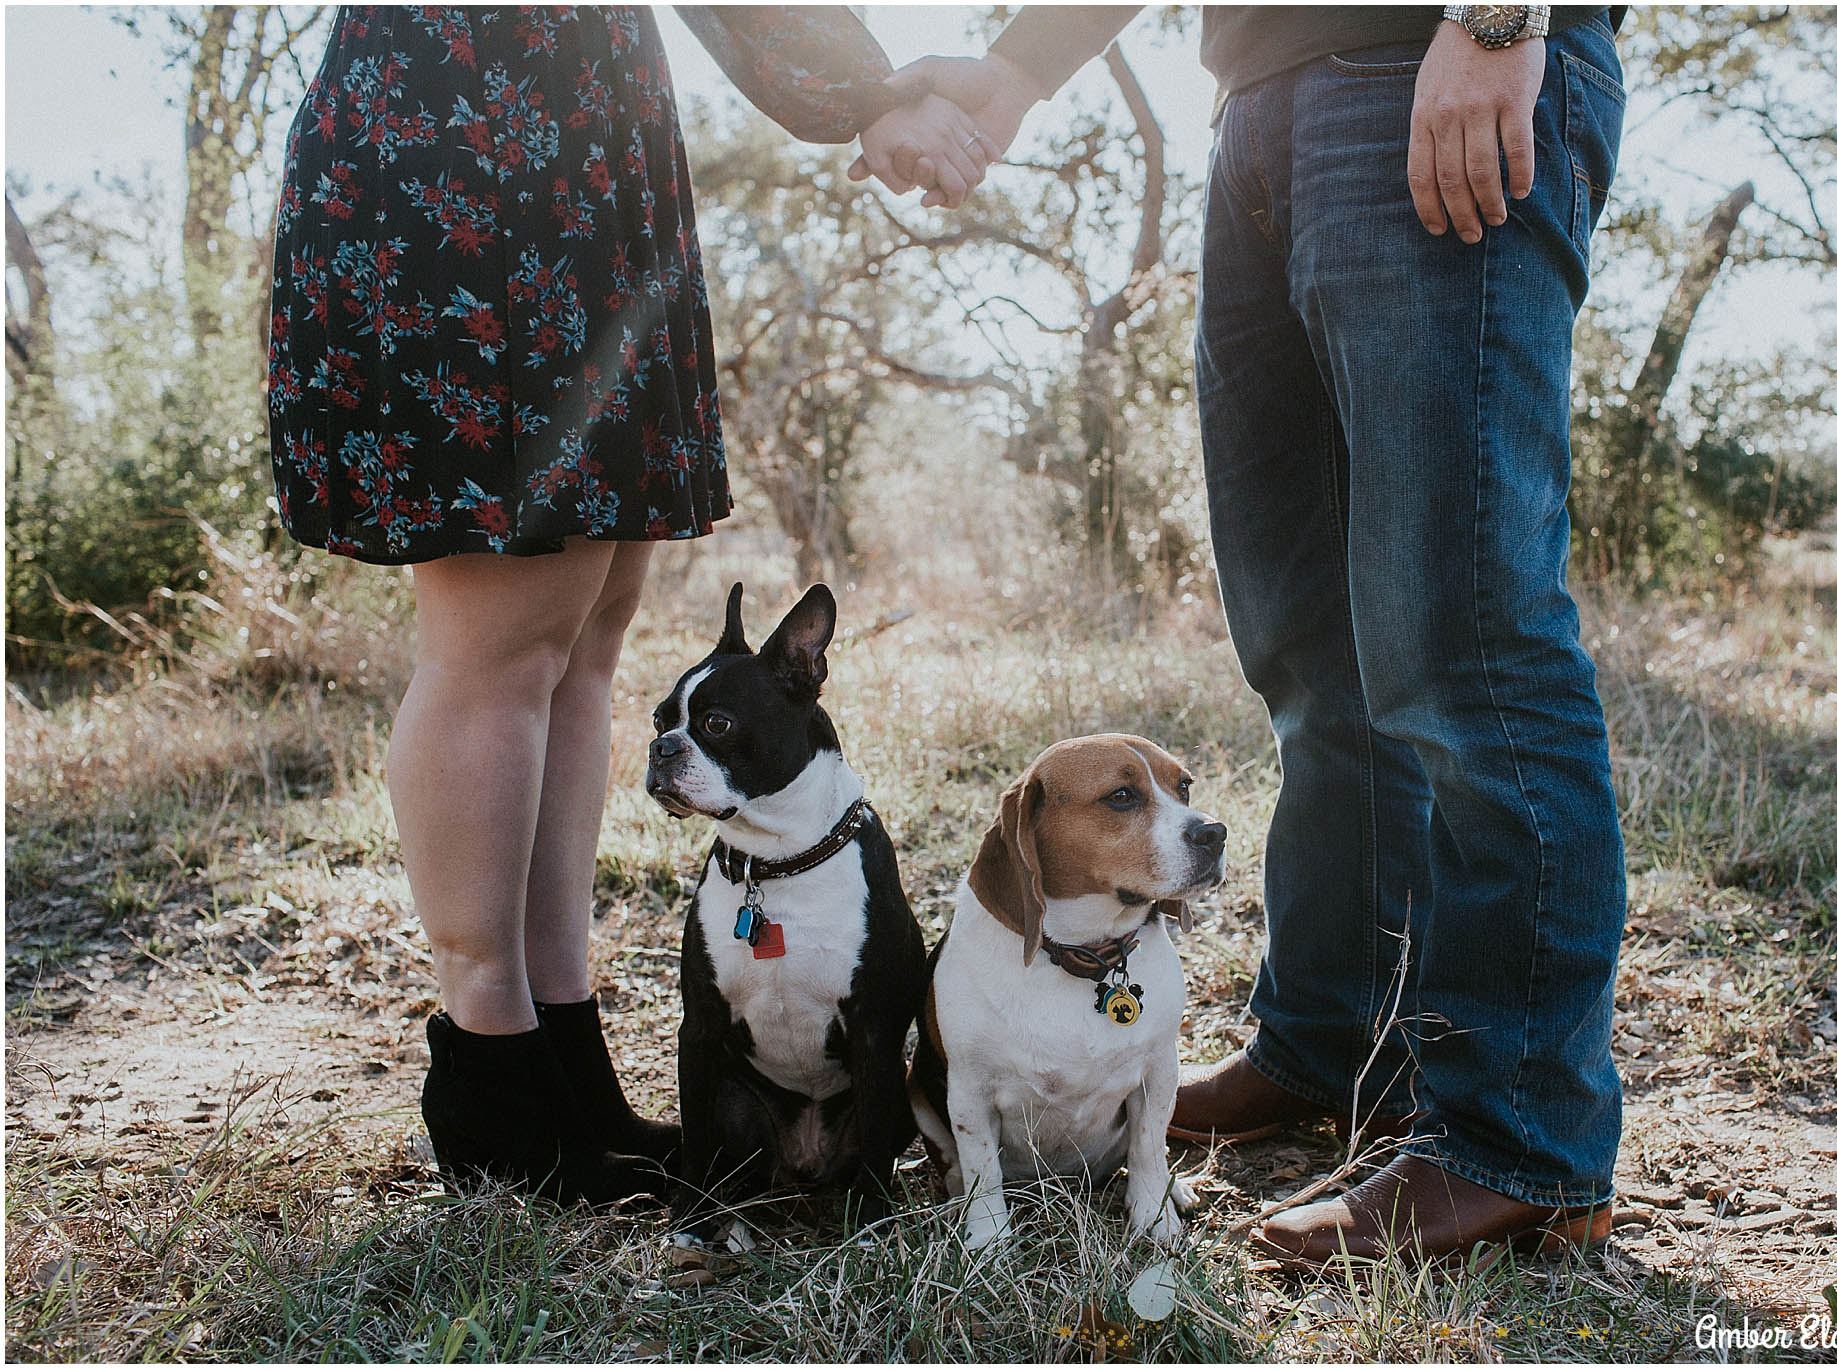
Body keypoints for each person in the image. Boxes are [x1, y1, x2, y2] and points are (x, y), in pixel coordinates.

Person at [872, 4, 1631, 1265]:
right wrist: (1014, 70)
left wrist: (1497, 21)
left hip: (1429, 57)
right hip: (1259, 109)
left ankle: (1521, 1145)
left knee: (1468, 647)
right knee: (1308, 654)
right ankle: (1332, 1044)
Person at [266, 4, 990, 1203]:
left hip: (582, 152)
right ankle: (493, 1084)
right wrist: (867, 92)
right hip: (475, 140)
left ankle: (566, 1059)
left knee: (584, 640)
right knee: (498, 649)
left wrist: (866, 89)